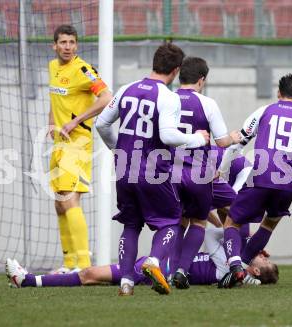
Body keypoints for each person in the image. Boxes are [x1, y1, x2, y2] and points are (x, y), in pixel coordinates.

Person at [95, 44, 210, 296]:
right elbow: (169, 135)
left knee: (131, 224)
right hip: (153, 170)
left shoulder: (126, 90)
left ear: (154, 63)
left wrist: (119, 148)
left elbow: (101, 123)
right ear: (177, 70)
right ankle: (154, 261)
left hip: (125, 168)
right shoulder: (168, 97)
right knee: (170, 222)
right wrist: (198, 139)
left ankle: (126, 282)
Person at [218, 73, 292, 288]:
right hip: (288, 184)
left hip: (260, 177)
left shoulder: (263, 111)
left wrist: (222, 171)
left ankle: (234, 265)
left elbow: (238, 143)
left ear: (278, 93)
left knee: (232, 221)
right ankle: (241, 266)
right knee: (269, 224)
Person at [169, 57, 241, 289]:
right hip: (199, 173)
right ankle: (182, 271)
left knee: (178, 221)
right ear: (202, 80)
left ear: (180, 76)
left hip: (168, 172)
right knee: (199, 222)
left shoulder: (166, 99)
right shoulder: (207, 103)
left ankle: (170, 271)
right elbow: (221, 142)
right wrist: (234, 137)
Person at [5, 228, 278, 289]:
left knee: (88, 275)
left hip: (157, 268)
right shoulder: (238, 272)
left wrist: (241, 241)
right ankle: (28, 280)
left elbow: (211, 235)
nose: (262, 255)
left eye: (264, 261)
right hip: (157, 265)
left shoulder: (229, 265)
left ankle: (26, 280)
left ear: (255, 271)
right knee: (88, 275)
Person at [47, 24, 112, 273]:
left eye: (71, 42)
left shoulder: (84, 69)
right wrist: (51, 121)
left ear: (76, 45)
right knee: (59, 202)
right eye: (63, 42)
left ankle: (83, 266)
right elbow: (55, 98)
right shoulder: (53, 67)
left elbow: (107, 97)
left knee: (70, 199)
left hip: (78, 142)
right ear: (55, 45)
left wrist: (76, 120)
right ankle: (69, 263)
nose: (67, 47)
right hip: (59, 142)